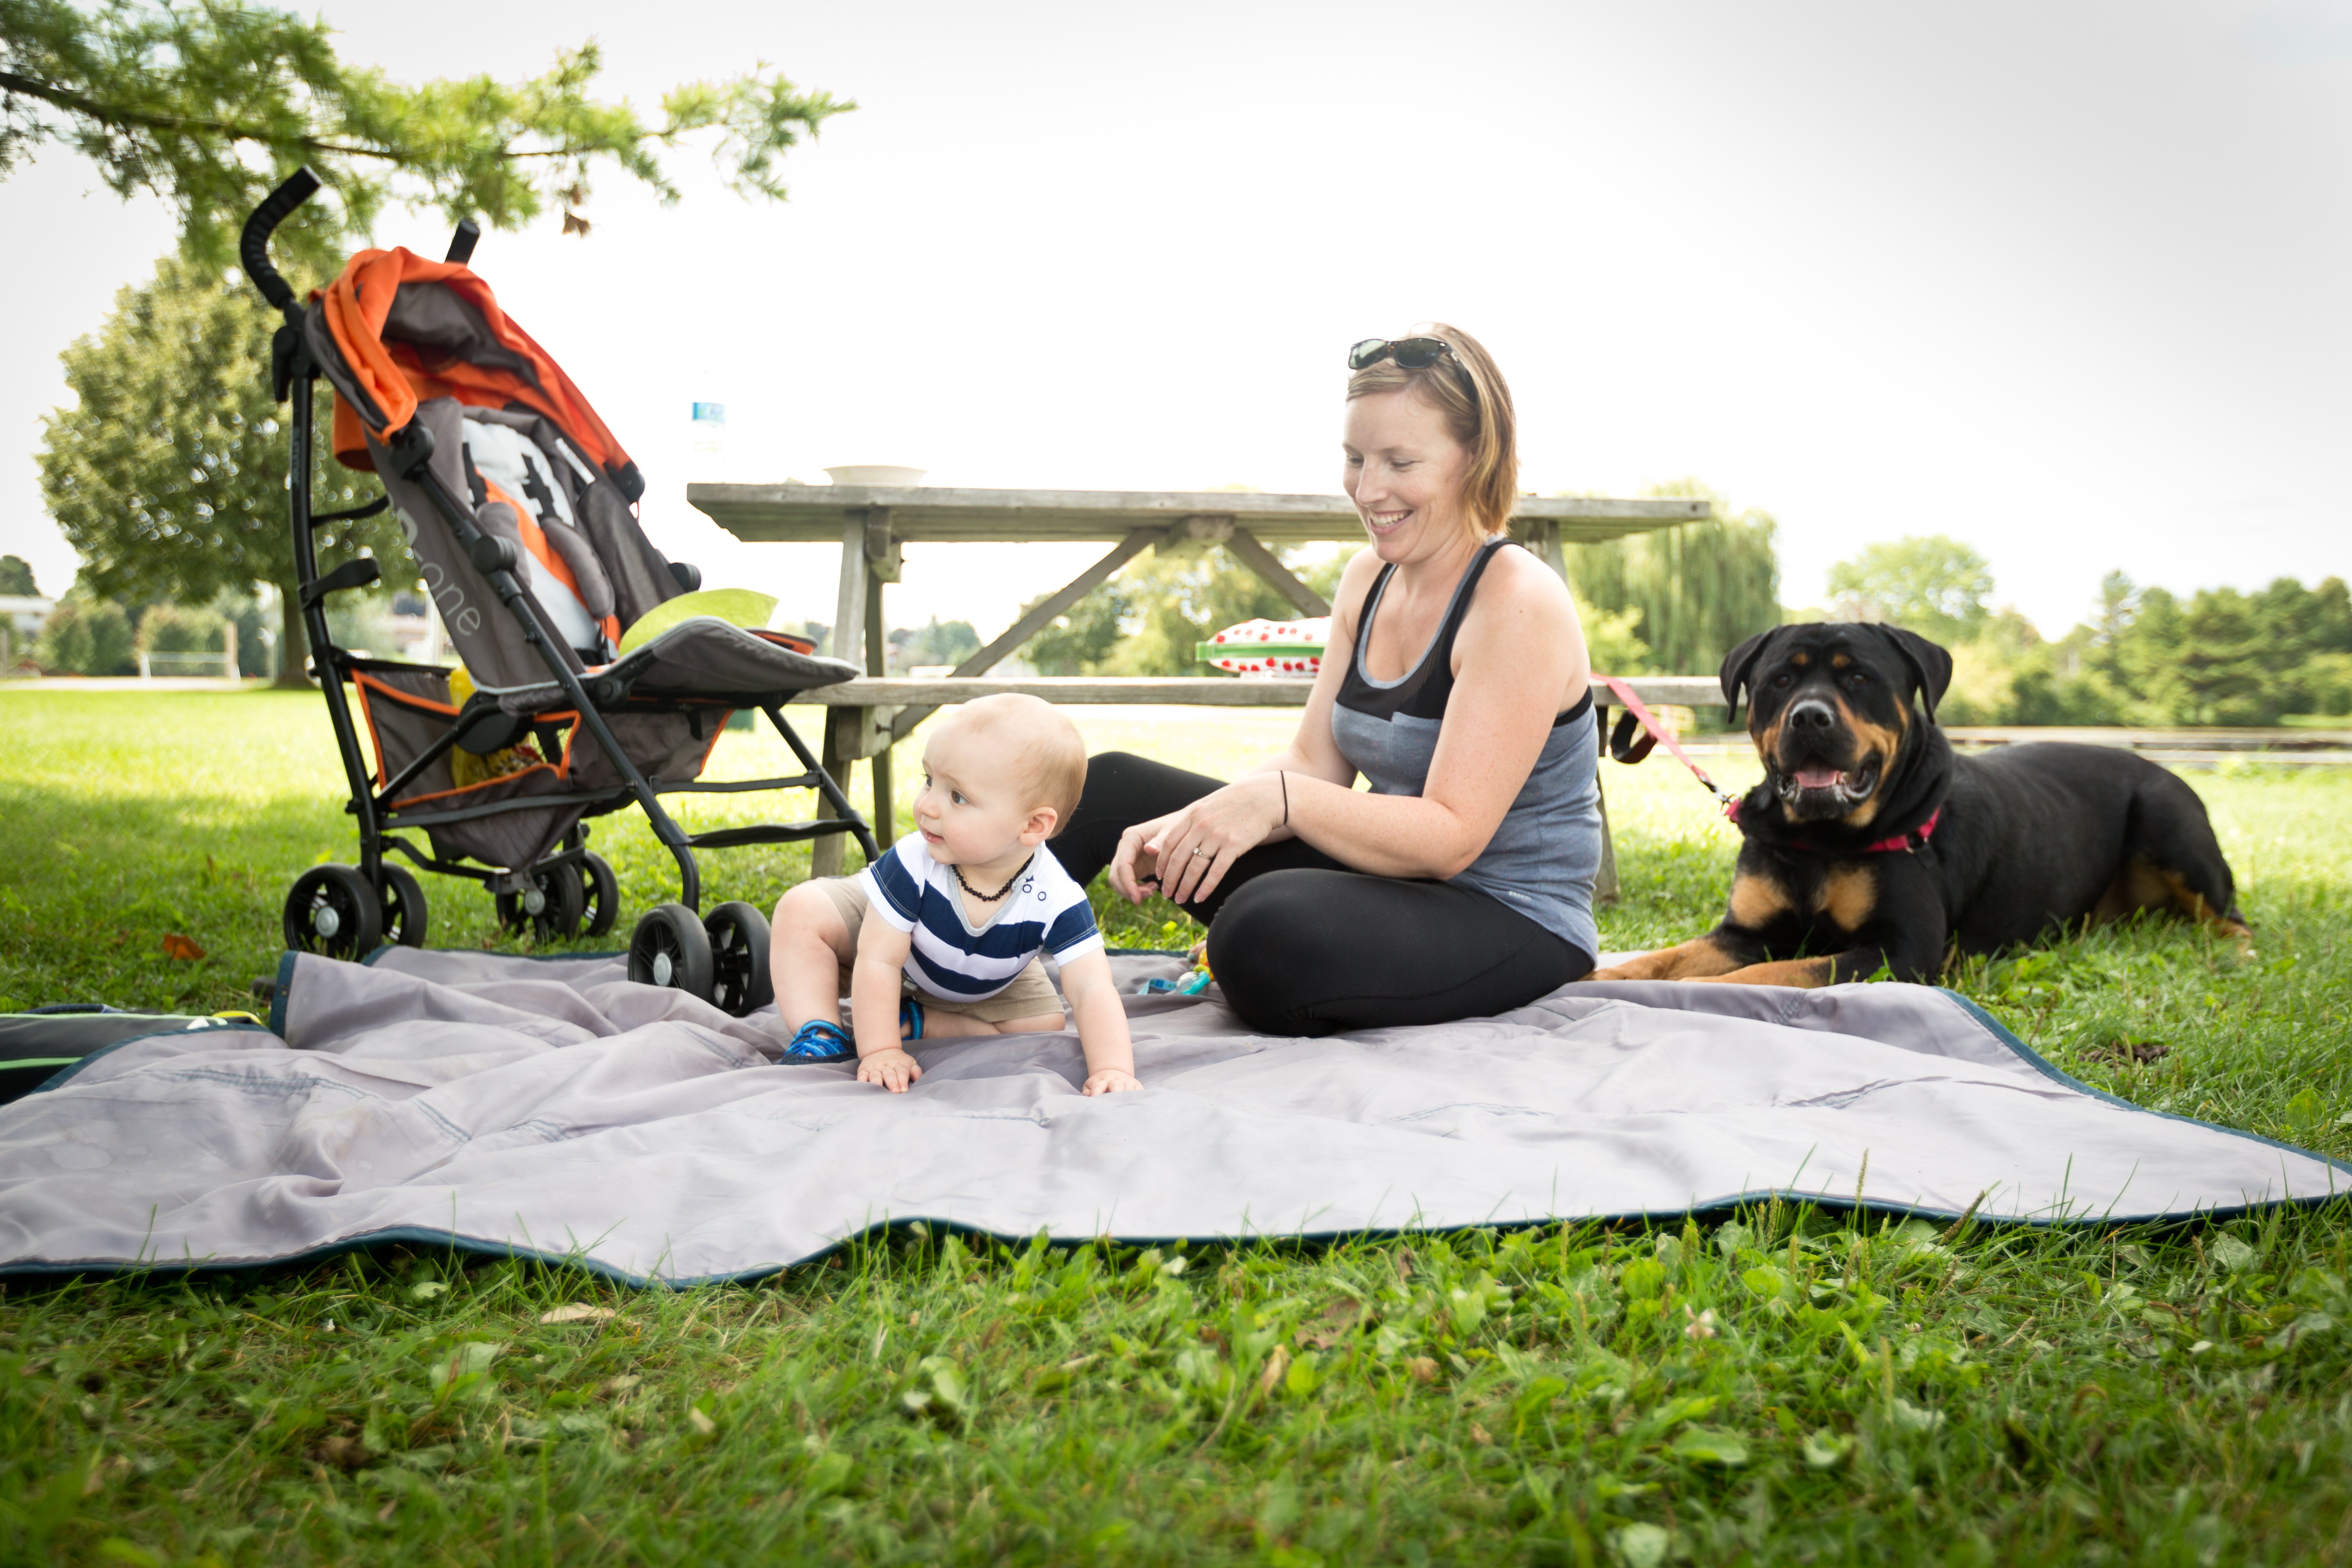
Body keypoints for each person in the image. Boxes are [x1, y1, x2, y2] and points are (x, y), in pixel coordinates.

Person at [1055, 324, 1604, 1036]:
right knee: (1108, 789)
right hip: (1393, 882)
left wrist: (1276, 802)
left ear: (1472, 458)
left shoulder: (1516, 601)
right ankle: (938, 950)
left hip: (1510, 911)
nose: (1369, 489)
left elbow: (1450, 837)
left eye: (1400, 461)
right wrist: (1207, 818)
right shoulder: (1366, 579)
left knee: (1263, 934)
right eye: (1355, 458)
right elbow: (1315, 762)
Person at [768, 693, 1142, 1095]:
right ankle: (821, 1029)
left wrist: (1114, 1069)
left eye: (957, 796)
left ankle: (915, 1020)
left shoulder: (1056, 897)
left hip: (979, 970)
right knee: (802, 910)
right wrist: (879, 1051)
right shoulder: (915, 859)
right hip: (889, 938)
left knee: (1043, 1024)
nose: (927, 806)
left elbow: (1091, 988)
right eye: (929, 781)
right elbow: (878, 959)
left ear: (1033, 825)